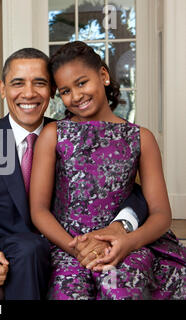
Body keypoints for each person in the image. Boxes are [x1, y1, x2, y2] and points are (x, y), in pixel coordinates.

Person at [0, 47, 149, 300]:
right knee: (29, 247)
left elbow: (126, 188)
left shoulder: (72, 134)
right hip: (13, 255)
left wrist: (122, 224)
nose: (29, 93)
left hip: (74, 247)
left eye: (39, 83)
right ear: (3, 89)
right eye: (18, 83)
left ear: (52, 91)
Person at [30, 41, 186, 299]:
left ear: (103, 75)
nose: (76, 96)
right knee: (69, 291)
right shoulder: (53, 135)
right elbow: (38, 210)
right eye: (66, 91)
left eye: (82, 83)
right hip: (69, 246)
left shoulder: (141, 138)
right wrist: (77, 249)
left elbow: (161, 214)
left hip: (125, 245)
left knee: (121, 287)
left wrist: (127, 243)